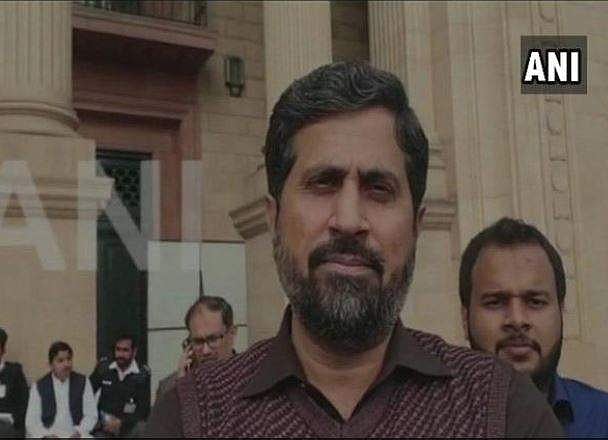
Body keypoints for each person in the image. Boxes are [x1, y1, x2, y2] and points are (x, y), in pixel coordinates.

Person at [146, 61, 563, 437]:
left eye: (378, 189)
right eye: (322, 183)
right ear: (273, 218)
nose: (348, 220)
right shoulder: (191, 417)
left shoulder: (502, 408)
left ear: (416, 226)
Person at [459, 217, 608, 437]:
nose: (517, 319)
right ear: (465, 317)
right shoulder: (428, 426)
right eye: (495, 302)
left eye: (535, 302)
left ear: (561, 312)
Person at [155, 296, 236, 403]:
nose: (206, 351)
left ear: (232, 333)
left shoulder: (250, 378)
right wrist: (181, 390)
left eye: (213, 339)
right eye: (198, 342)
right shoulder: (169, 388)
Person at [25, 341, 97, 438]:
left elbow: (91, 415)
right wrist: (45, 435)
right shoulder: (39, 386)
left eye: (69, 359)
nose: (66, 364)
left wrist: (79, 432)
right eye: (60, 360)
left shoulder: (83, 382)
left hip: (76, 434)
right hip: (49, 434)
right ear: (51, 365)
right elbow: (32, 421)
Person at [90, 334, 150, 437]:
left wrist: (121, 423)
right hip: (103, 426)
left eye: (125, 350)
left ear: (134, 352)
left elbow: (143, 409)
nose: (120, 354)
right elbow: (87, 394)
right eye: (118, 349)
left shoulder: (142, 375)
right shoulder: (104, 368)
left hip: (128, 427)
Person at [0, 328, 28, 438]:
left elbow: (23, 403)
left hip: (9, 427)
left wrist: (13, 419)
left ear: (3, 350)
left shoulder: (14, 372)